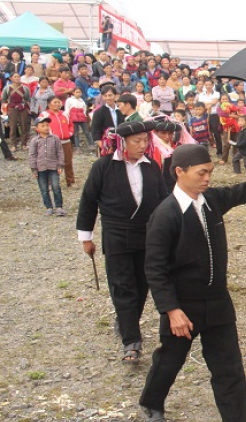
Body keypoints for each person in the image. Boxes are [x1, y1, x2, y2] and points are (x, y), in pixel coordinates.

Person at [138, 143, 246, 422]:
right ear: (179, 172)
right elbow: (154, 268)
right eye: (202, 173)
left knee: (229, 368)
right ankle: (151, 402)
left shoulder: (211, 200)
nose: (207, 178)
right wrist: (171, 309)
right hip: (183, 307)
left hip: (218, 302)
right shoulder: (165, 215)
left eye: (210, 172)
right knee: (169, 361)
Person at [77, 120, 168, 361]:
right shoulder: (103, 167)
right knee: (122, 287)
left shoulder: (151, 168)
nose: (142, 145)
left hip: (146, 236)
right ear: (122, 142)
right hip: (116, 235)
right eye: (136, 141)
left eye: (145, 140)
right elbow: (88, 201)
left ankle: (126, 321)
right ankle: (131, 342)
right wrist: (86, 237)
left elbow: (164, 200)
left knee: (141, 286)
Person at [29, 115, 65, 216]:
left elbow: (60, 152)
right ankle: (49, 207)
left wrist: (60, 165)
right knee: (44, 189)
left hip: (53, 167)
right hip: (40, 168)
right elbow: (32, 155)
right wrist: (34, 169)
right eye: (42, 125)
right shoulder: (35, 140)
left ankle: (59, 206)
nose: (46, 127)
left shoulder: (55, 138)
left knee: (56, 187)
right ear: (37, 128)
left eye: (47, 125)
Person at [45, 97, 75, 187]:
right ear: (49, 104)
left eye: (58, 102)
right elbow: (40, 127)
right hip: (51, 142)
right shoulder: (44, 115)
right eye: (54, 102)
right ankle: (50, 182)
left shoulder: (65, 114)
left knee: (68, 162)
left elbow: (71, 125)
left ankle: (70, 181)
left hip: (66, 141)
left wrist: (69, 133)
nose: (57, 104)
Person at [2, 72, 31, 150]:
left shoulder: (25, 88)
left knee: (24, 126)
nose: (17, 78)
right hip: (12, 109)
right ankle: (13, 145)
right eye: (15, 77)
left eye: (18, 77)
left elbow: (28, 98)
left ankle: (24, 144)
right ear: (11, 78)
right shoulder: (7, 88)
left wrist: (28, 108)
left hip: (23, 108)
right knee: (13, 127)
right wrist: (4, 111)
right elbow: (4, 99)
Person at [233, 115, 246, 179]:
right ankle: (237, 172)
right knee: (235, 159)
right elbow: (240, 140)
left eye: (242, 121)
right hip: (241, 150)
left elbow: (245, 142)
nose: (240, 122)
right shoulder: (241, 130)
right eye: (239, 121)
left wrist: (237, 144)